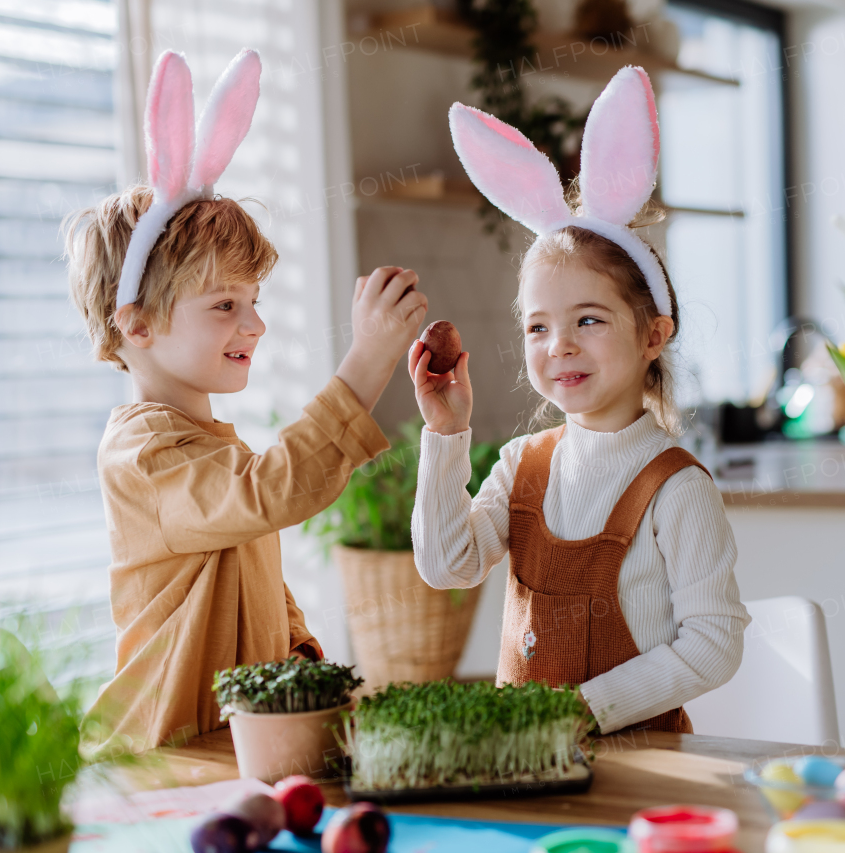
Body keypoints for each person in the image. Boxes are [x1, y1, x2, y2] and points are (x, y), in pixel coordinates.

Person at [64, 49, 426, 754]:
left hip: (234, 744)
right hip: (168, 751)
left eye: (253, 301)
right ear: (135, 323)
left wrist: (304, 665)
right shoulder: (143, 453)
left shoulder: (206, 442)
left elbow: (254, 577)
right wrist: (369, 360)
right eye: (225, 303)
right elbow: (267, 495)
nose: (254, 324)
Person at [409, 67, 749, 735]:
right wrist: (447, 434)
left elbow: (714, 643)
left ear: (654, 334)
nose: (559, 345)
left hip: (642, 773)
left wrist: (578, 712)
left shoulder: (675, 486)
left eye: (588, 320)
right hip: (528, 771)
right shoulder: (521, 466)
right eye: (538, 327)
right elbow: (447, 564)